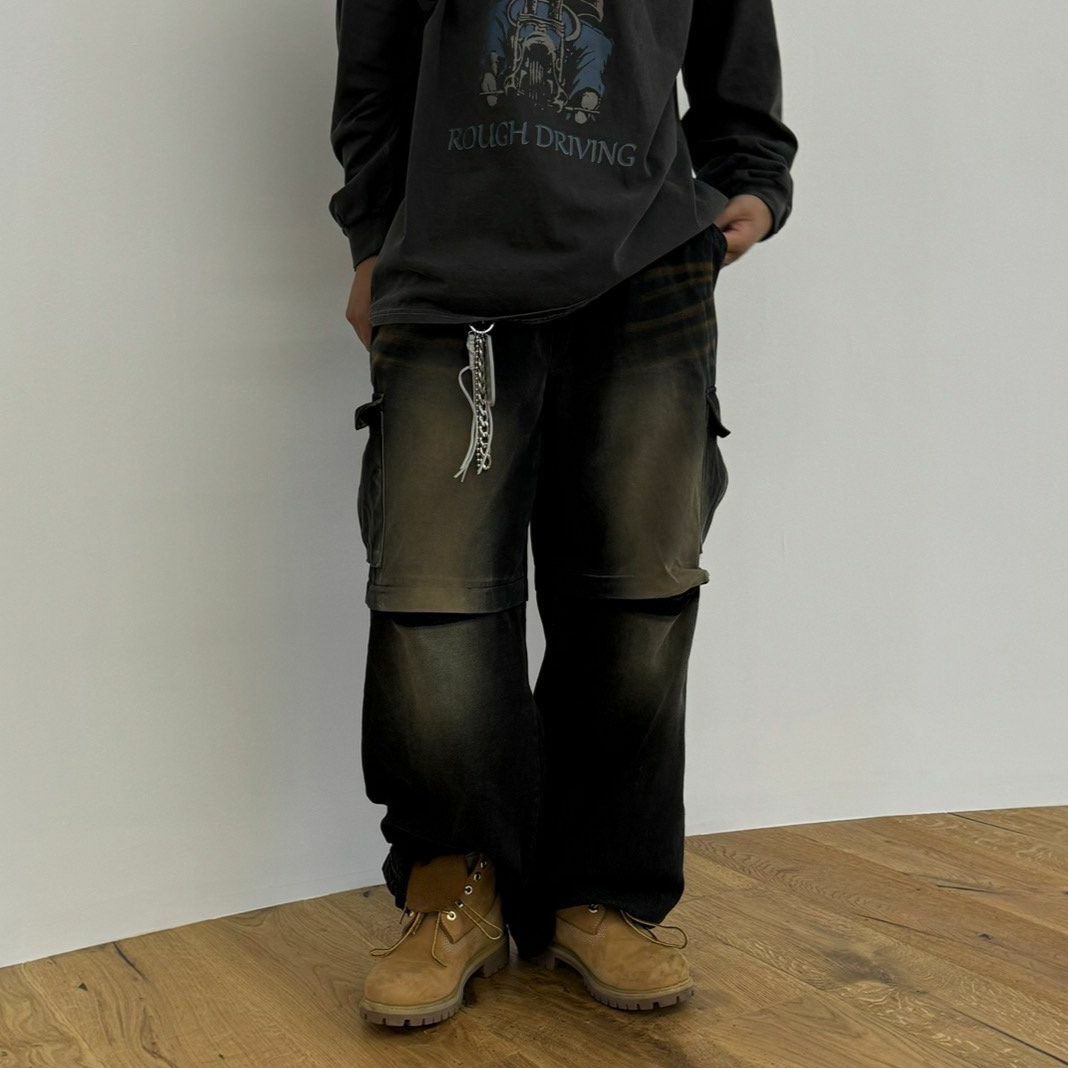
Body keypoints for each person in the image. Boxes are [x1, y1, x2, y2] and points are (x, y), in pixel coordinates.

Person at [328, 0, 797, 1028]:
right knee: (434, 600)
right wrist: (371, 236)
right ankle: (454, 888)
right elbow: (372, 72)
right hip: (447, 277)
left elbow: (733, 44)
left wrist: (755, 180)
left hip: (648, 269)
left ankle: (602, 893)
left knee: (637, 597)